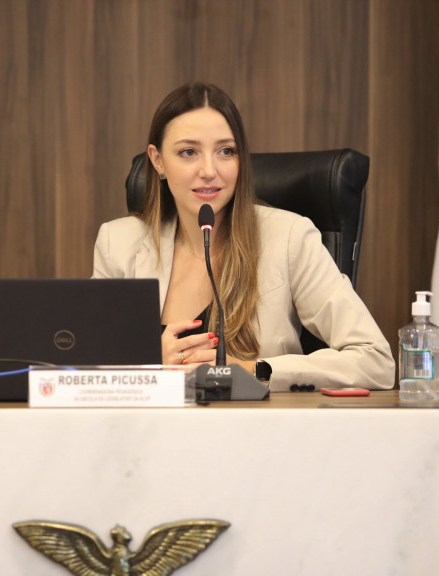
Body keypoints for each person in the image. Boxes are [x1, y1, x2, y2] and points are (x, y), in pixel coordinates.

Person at [92, 82, 394, 390]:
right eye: (188, 152)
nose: (209, 170)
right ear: (158, 161)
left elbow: (375, 361)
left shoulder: (289, 238)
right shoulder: (118, 244)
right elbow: (82, 368)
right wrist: (147, 364)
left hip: (259, 434)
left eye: (226, 151)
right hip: (150, 435)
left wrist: (252, 370)